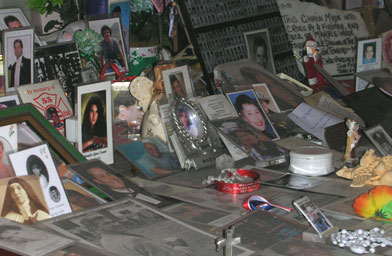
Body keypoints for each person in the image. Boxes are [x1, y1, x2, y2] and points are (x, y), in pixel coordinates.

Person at [79, 215, 192, 256]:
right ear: (96, 229)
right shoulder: (132, 240)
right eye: (108, 223)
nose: (116, 223)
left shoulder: (105, 241)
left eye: (113, 221)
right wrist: (181, 246)